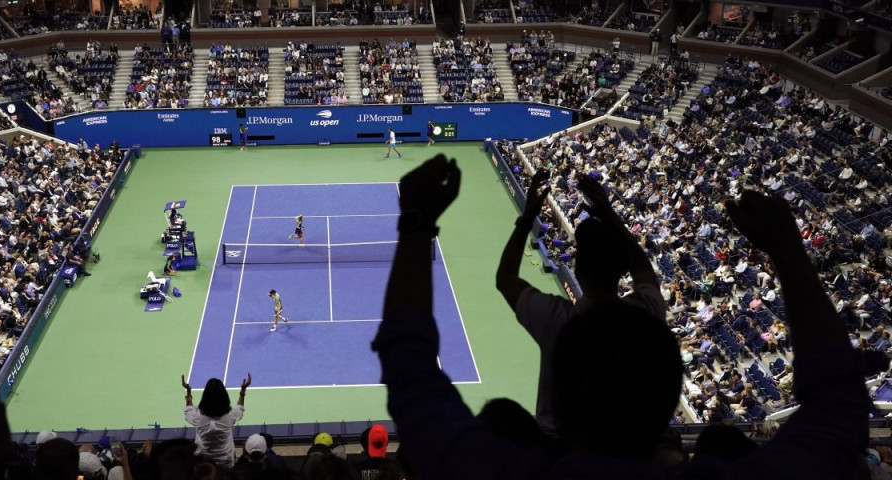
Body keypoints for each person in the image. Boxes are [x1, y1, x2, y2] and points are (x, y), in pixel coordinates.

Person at [372, 156, 872, 480]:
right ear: (664, 388)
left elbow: (413, 372)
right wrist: (786, 247)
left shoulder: (509, 465)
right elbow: (838, 406)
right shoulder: (646, 310)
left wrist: (422, 227)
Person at [495, 171, 666, 436]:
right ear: (623, 269)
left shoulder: (556, 320)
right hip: (621, 449)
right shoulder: (646, 312)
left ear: (578, 267)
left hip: (561, 453)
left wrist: (527, 218)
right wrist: (611, 216)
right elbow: (643, 269)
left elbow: (505, 278)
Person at [181, 373, 252, 468]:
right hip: (226, 463)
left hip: (204, 463)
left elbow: (188, 410)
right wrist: (243, 390)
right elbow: (239, 409)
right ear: (224, 396)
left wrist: (189, 392)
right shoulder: (229, 416)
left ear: (205, 396)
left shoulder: (197, 417)